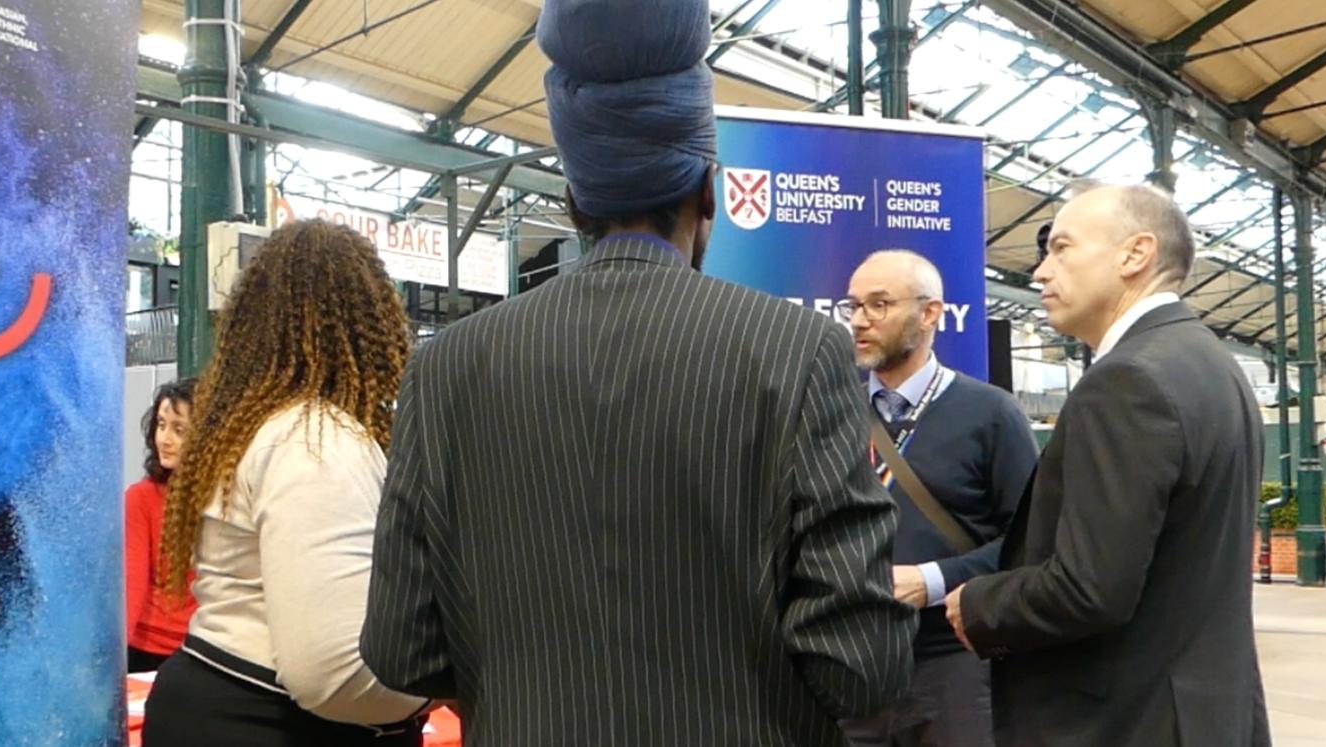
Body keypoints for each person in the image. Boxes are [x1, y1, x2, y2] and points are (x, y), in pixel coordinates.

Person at [359, 1, 916, 744]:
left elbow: (401, 646)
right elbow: (861, 666)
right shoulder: (798, 350)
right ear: (709, 192)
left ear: (573, 201)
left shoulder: (446, 366)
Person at [945, 183, 1271, 747]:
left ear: (1135, 254)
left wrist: (977, 605)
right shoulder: (1211, 364)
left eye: (1062, 248)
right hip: (1203, 713)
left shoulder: (1127, 380)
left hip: (1126, 721)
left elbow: (1089, 589)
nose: (1040, 272)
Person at [142, 220, 427, 746]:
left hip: (215, 698)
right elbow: (332, 675)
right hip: (271, 721)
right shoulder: (314, 440)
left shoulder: (246, 429)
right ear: (372, 322)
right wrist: (437, 685)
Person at [838, 251, 1037, 747]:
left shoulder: (992, 414)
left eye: (879, 304)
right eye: (854, 306)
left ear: (930, 313)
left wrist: (931, 581)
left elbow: (1030, 541)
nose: (860, 320)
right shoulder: (832, 412)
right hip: (852, 666)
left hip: (955, 666)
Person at [125, 378, 198, 673]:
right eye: (161, 425)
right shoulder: (140, 498)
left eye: (179, 430)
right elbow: (131, 585)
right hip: (147, 651)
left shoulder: (229, 497)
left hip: (205, 649)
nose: (164, 439)